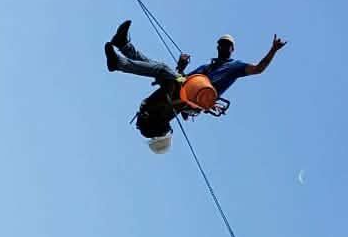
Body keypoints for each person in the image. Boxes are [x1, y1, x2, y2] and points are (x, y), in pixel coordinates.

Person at [104, 20, 288, 151]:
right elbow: (184, 79)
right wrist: (181, 67)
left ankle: (120, 63)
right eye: (221, 43)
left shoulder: (235, 67)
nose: (223, 46)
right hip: (187, 91)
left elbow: (258, 69)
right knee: (162, 69)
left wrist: (273, 50)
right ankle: (124, 46)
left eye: (227, 45)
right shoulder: (205, 68)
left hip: (195, 99)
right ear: (217, 46)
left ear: (232, 49)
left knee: (162, 69)